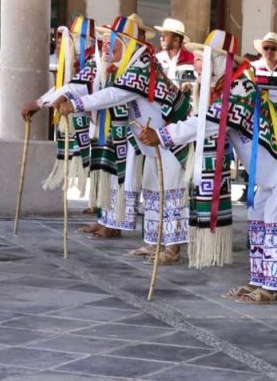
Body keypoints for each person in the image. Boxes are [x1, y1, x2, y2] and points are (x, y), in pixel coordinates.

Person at [142, 30, 277, 293]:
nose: (196, 65)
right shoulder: (228, 89)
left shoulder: (240, 89)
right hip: (270, 176)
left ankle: (273, 288)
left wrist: (161, 135)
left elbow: (206, 123)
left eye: (201, 59)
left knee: (275, 224)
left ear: (217, 61)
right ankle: (260, 281)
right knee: (258, 221)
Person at [57, 14, 191, 263]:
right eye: (105, 41)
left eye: (112, 42)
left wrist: (76, 104)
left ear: (127, 43)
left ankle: (172, 249)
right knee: (153, 191)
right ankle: (154, 242)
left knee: (171, 193)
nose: (106, 46)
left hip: (172, 141)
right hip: (153, 142)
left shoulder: (142, 65)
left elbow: (115, 95)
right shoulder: (129, 65)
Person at [22, 17, 97, 217]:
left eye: (73, 38)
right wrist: (41, 103)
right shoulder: (77, 61)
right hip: (85, 116)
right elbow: (64, 87)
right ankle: (98, 206)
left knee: (102, 165)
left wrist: (39, 104)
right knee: (97, 164)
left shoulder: (95, 60)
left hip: (101, 120)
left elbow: (75, 87)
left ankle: (102, 208)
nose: (67, 42)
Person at [154, 18, 195, 84]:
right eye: (162, 35)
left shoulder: (191, 60)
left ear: (176, 40)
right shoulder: (157, 58)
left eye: (165, 36)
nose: (161, 38)